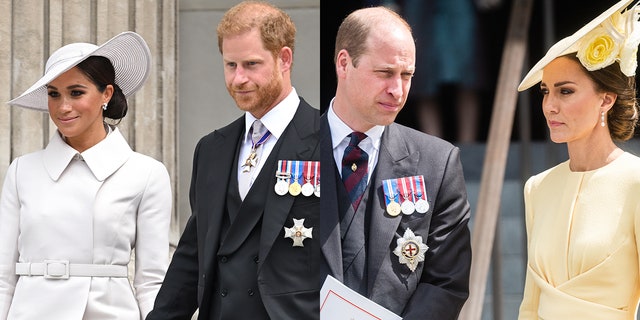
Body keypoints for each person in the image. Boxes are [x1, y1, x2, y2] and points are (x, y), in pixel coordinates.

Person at [147, 1, 320, 319]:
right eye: (230, 65)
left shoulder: (327, 140)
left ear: (284, 59)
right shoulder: (211, 149)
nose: (238, 78)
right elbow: (193, 253)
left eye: (251, 64)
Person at [0, 31, 172, 319]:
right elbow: (2, 276)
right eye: (54, 94)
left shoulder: (146, 174)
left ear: (106, 94)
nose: (63, 107)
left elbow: (151, 281)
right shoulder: (22, 171)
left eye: (76, 92)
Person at [320, 6, 472, 319]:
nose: (398, 90)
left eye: (407, 76)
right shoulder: (283, 154)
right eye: (385, 73)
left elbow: (446, 282)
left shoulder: (438, 163)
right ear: (344, 64)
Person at [517, 0, 640, 318]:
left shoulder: (636, 181)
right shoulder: (537, 187)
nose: (550, 106)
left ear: (606, 99)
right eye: (545, 91)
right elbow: (531, 303)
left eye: (565, 91)